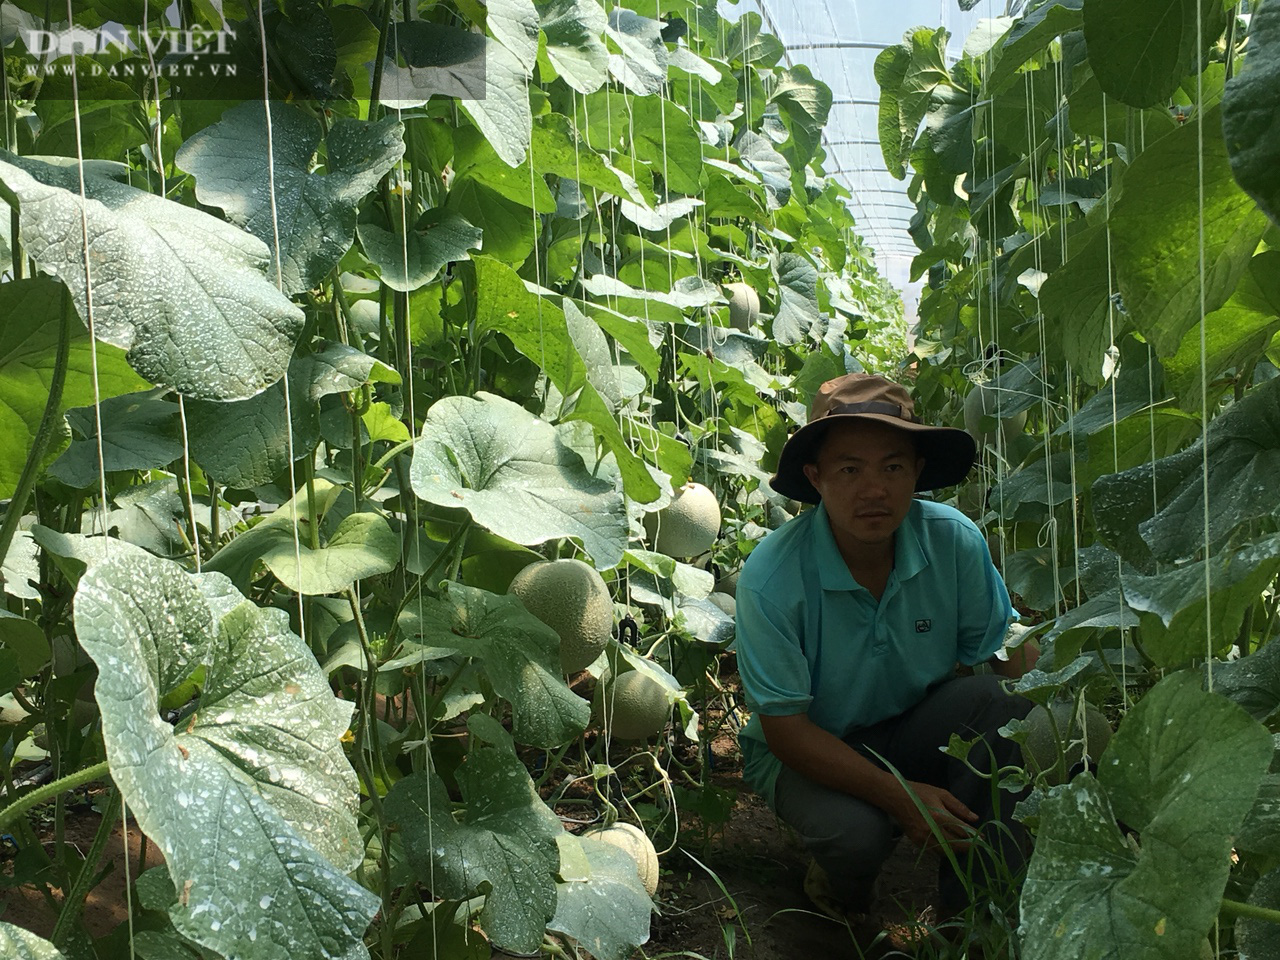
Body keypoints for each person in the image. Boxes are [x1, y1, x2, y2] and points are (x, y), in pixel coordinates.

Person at [734, 372, 1036, 920]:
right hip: (807, 749)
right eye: (849, 469)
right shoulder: (772, 577)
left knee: (1006, 705)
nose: (874, 490)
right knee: (858, 837)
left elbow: (1010, 656)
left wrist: (1059, 739)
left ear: (917, 472)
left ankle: (977, 923)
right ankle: (842, 892)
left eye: (892, 467)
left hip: (908, 725)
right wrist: (901, 797)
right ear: (816, 476)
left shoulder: (953, 541)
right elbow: (787, 731)